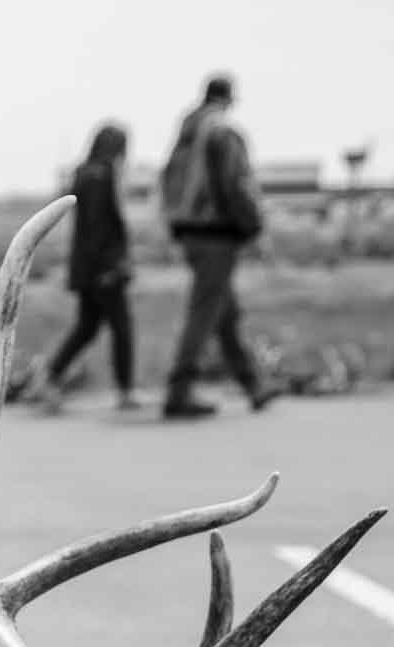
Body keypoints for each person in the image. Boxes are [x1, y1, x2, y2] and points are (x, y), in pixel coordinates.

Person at [159, 74, 279, 420]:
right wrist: (255, 229)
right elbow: (236, 184)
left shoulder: (187, 130)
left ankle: (253, 384)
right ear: (229, 99)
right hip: (216, 235)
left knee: (224, 312)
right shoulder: (222, 132)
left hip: (190, 234)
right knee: (205, 312)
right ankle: (178, 392)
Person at [32, 123, 138, 411]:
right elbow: (99, 226)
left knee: (87, 326)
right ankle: (125, 390)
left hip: (87, 266)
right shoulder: (102, 176)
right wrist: (110, 265)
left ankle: (49, 378)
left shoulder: (84, 173)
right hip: (103, 268)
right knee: (121, 328)